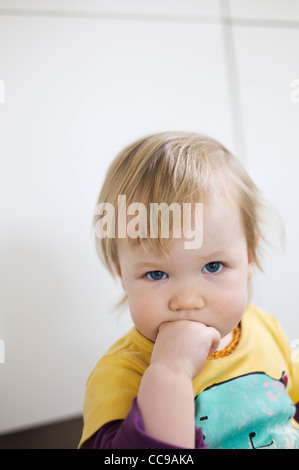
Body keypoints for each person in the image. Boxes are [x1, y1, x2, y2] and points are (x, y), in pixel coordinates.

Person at [79, 132, 299, 449]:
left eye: (213, 267)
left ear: (248, 257)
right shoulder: (119, 375)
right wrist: (170, 373)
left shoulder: (266, 327)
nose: (187, 301)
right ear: (121, 274)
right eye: (156, 273)